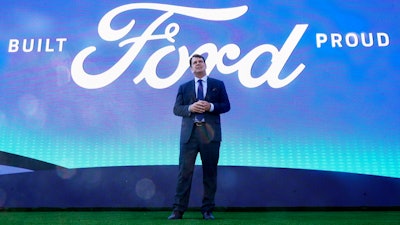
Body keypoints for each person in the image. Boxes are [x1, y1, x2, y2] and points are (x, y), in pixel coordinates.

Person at [168, 54, 231, 220]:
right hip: (189, 136)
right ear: (191, 68)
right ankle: (178, 210)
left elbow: (226, 106)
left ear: (205, 65)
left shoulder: (218, 84)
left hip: (210, 136)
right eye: (194, 63)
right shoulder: (184, 87)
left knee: (210, 173)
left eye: (200, 61)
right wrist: (190, 107)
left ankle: (207, 210)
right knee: (184, 173)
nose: (197, 64)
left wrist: (210, 106)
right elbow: (176, 109)